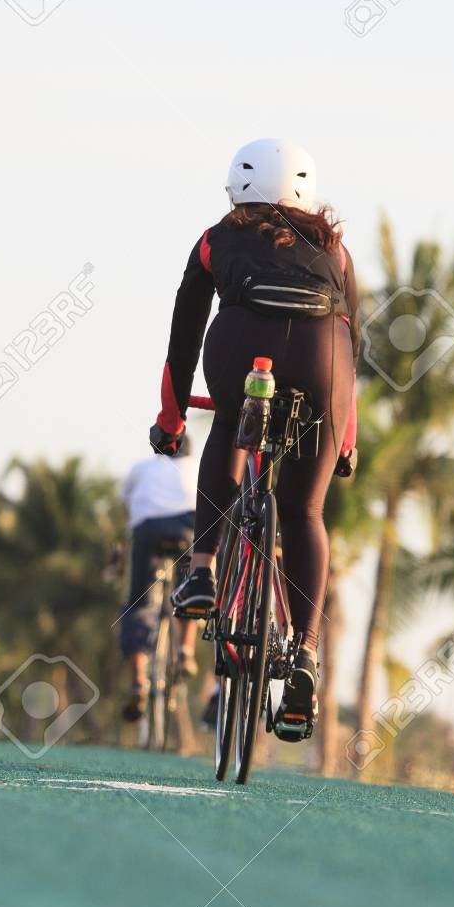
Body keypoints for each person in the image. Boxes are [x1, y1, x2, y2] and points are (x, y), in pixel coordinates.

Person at [149, 138, 359, 741]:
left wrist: (172, 419)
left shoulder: (216, 238)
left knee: (228, 434)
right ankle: (307, 654)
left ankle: (205, 570)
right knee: (306, 510)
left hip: (241, 347)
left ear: (237, 185)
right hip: (324, 363)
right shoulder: (335, 249)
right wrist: (345, 437)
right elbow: (355, 346)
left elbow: (184, 332)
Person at [118, 435, 200, 722]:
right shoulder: (198, 467)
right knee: (194, 587)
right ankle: (186, 650)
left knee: (138, 604)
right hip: (188, 528)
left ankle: (139, 681)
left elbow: (126, 511)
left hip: (148, 528)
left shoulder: (142, 468)